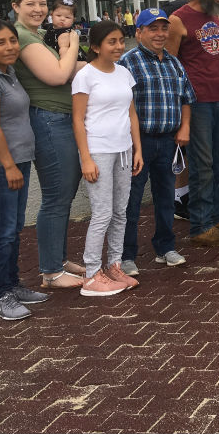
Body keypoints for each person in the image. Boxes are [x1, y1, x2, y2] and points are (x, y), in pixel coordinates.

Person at [0, 19, 50, 320]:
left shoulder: (9, 73)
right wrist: (8, 166)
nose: (9, 47)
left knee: (14, 227)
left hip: (18, 162)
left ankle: (13, 285)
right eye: (0, 42)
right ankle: (0, 296)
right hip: (0, 166)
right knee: (2, 231)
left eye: (13, 41)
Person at [12, 0, 86, 289]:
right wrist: (73, 44)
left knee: (64, 193)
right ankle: (51, 271)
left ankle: (58, 259)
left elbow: (72, 68)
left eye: (42, 4)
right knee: (57, 196)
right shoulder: (24, 36)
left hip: (61, 118)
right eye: (30, 4)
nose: (38, 10)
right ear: (15, 5)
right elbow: (57, 74)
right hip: (48, 120)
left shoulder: (42, 35)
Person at [167, 0, 219, 247]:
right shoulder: (178, 20)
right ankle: (200, 225)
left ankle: (214, 215)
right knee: (203, 164)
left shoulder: (214, 15)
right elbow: (171, 65)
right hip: (196, 103)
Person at [118, 8, 195, 276]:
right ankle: (126, 255)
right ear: (138, 32)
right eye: (153, 28)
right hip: (139, 144)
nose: (160, 34)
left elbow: (187, 99)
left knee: (165, 198)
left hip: (169, 142)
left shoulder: (174, 63)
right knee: (132, 200)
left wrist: (185, 128)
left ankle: (165, 247)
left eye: (164, 28)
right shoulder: (127, 63)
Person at [71, 20, 143, 297]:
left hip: (124, 149)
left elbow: (131, 114)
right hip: (98, 150)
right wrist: (86, 158)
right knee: (102, 213)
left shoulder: (124, 73)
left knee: (120, 212)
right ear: (96, 47)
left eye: (120, 41)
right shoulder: (85, 76)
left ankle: (114, 265)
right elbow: (77, 120)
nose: (118, 46)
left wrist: (138, 149)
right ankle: (92, 274)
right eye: (111, 42)